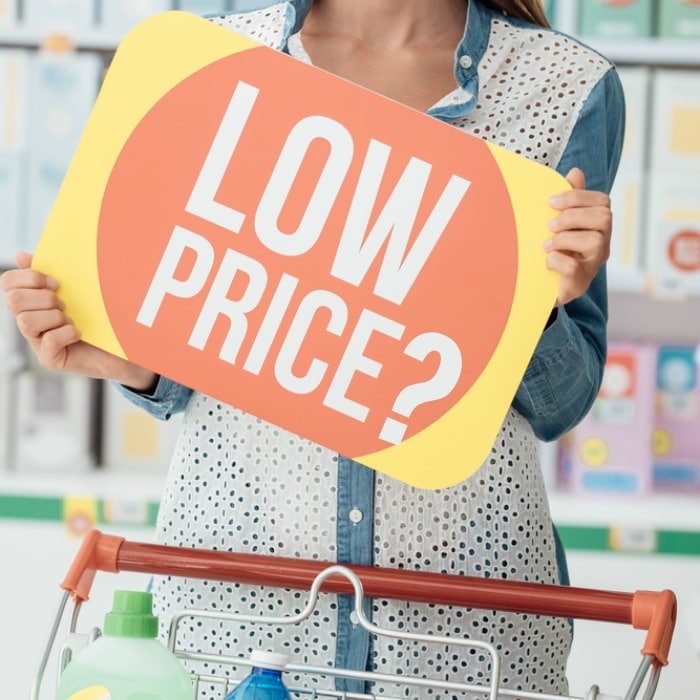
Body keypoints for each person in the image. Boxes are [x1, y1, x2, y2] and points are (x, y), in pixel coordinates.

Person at [1, 0, 624, 697]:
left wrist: (542, 306)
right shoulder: (214, 58)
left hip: (466, 626)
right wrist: (127, 359)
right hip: (229, 606)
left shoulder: (564, 84)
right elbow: (184, 363)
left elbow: (560, 405)